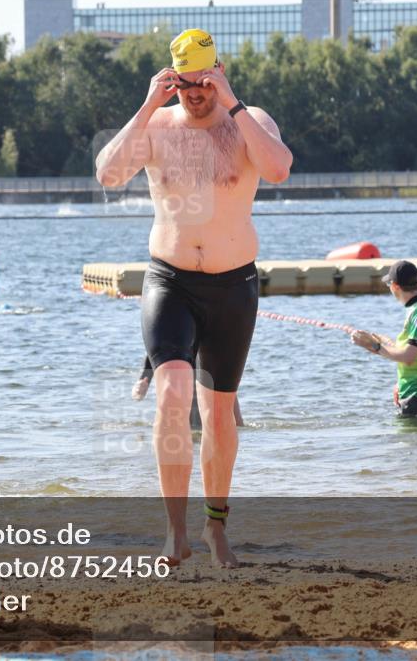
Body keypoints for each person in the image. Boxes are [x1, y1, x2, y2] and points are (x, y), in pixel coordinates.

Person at [96, 29, 292, 567]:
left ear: (220, 73)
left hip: (233, 286)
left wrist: (233, 102)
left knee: (220, 414)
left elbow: (277, 168)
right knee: (172, 393)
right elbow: (108, 174)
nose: (195, 93)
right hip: (170, 280)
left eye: (204, 82)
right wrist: (145, 105)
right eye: (185, 83)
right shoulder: (158, 125)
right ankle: (174, 532)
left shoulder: (250, 121)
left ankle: (216, 526)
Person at [351, 261, 417, 417]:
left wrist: (376, 346)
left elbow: (408, 356)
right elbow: (410, 351)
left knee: (406, 441)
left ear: (395, 286)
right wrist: (379, 343)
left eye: (389, 284)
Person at [132, 356, 244, 429]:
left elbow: (227, 392)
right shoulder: (162, 348)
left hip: (208, 424)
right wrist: (138, 390)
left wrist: (238, 425)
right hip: (176, 425)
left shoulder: (208, 349)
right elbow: (138, 394)